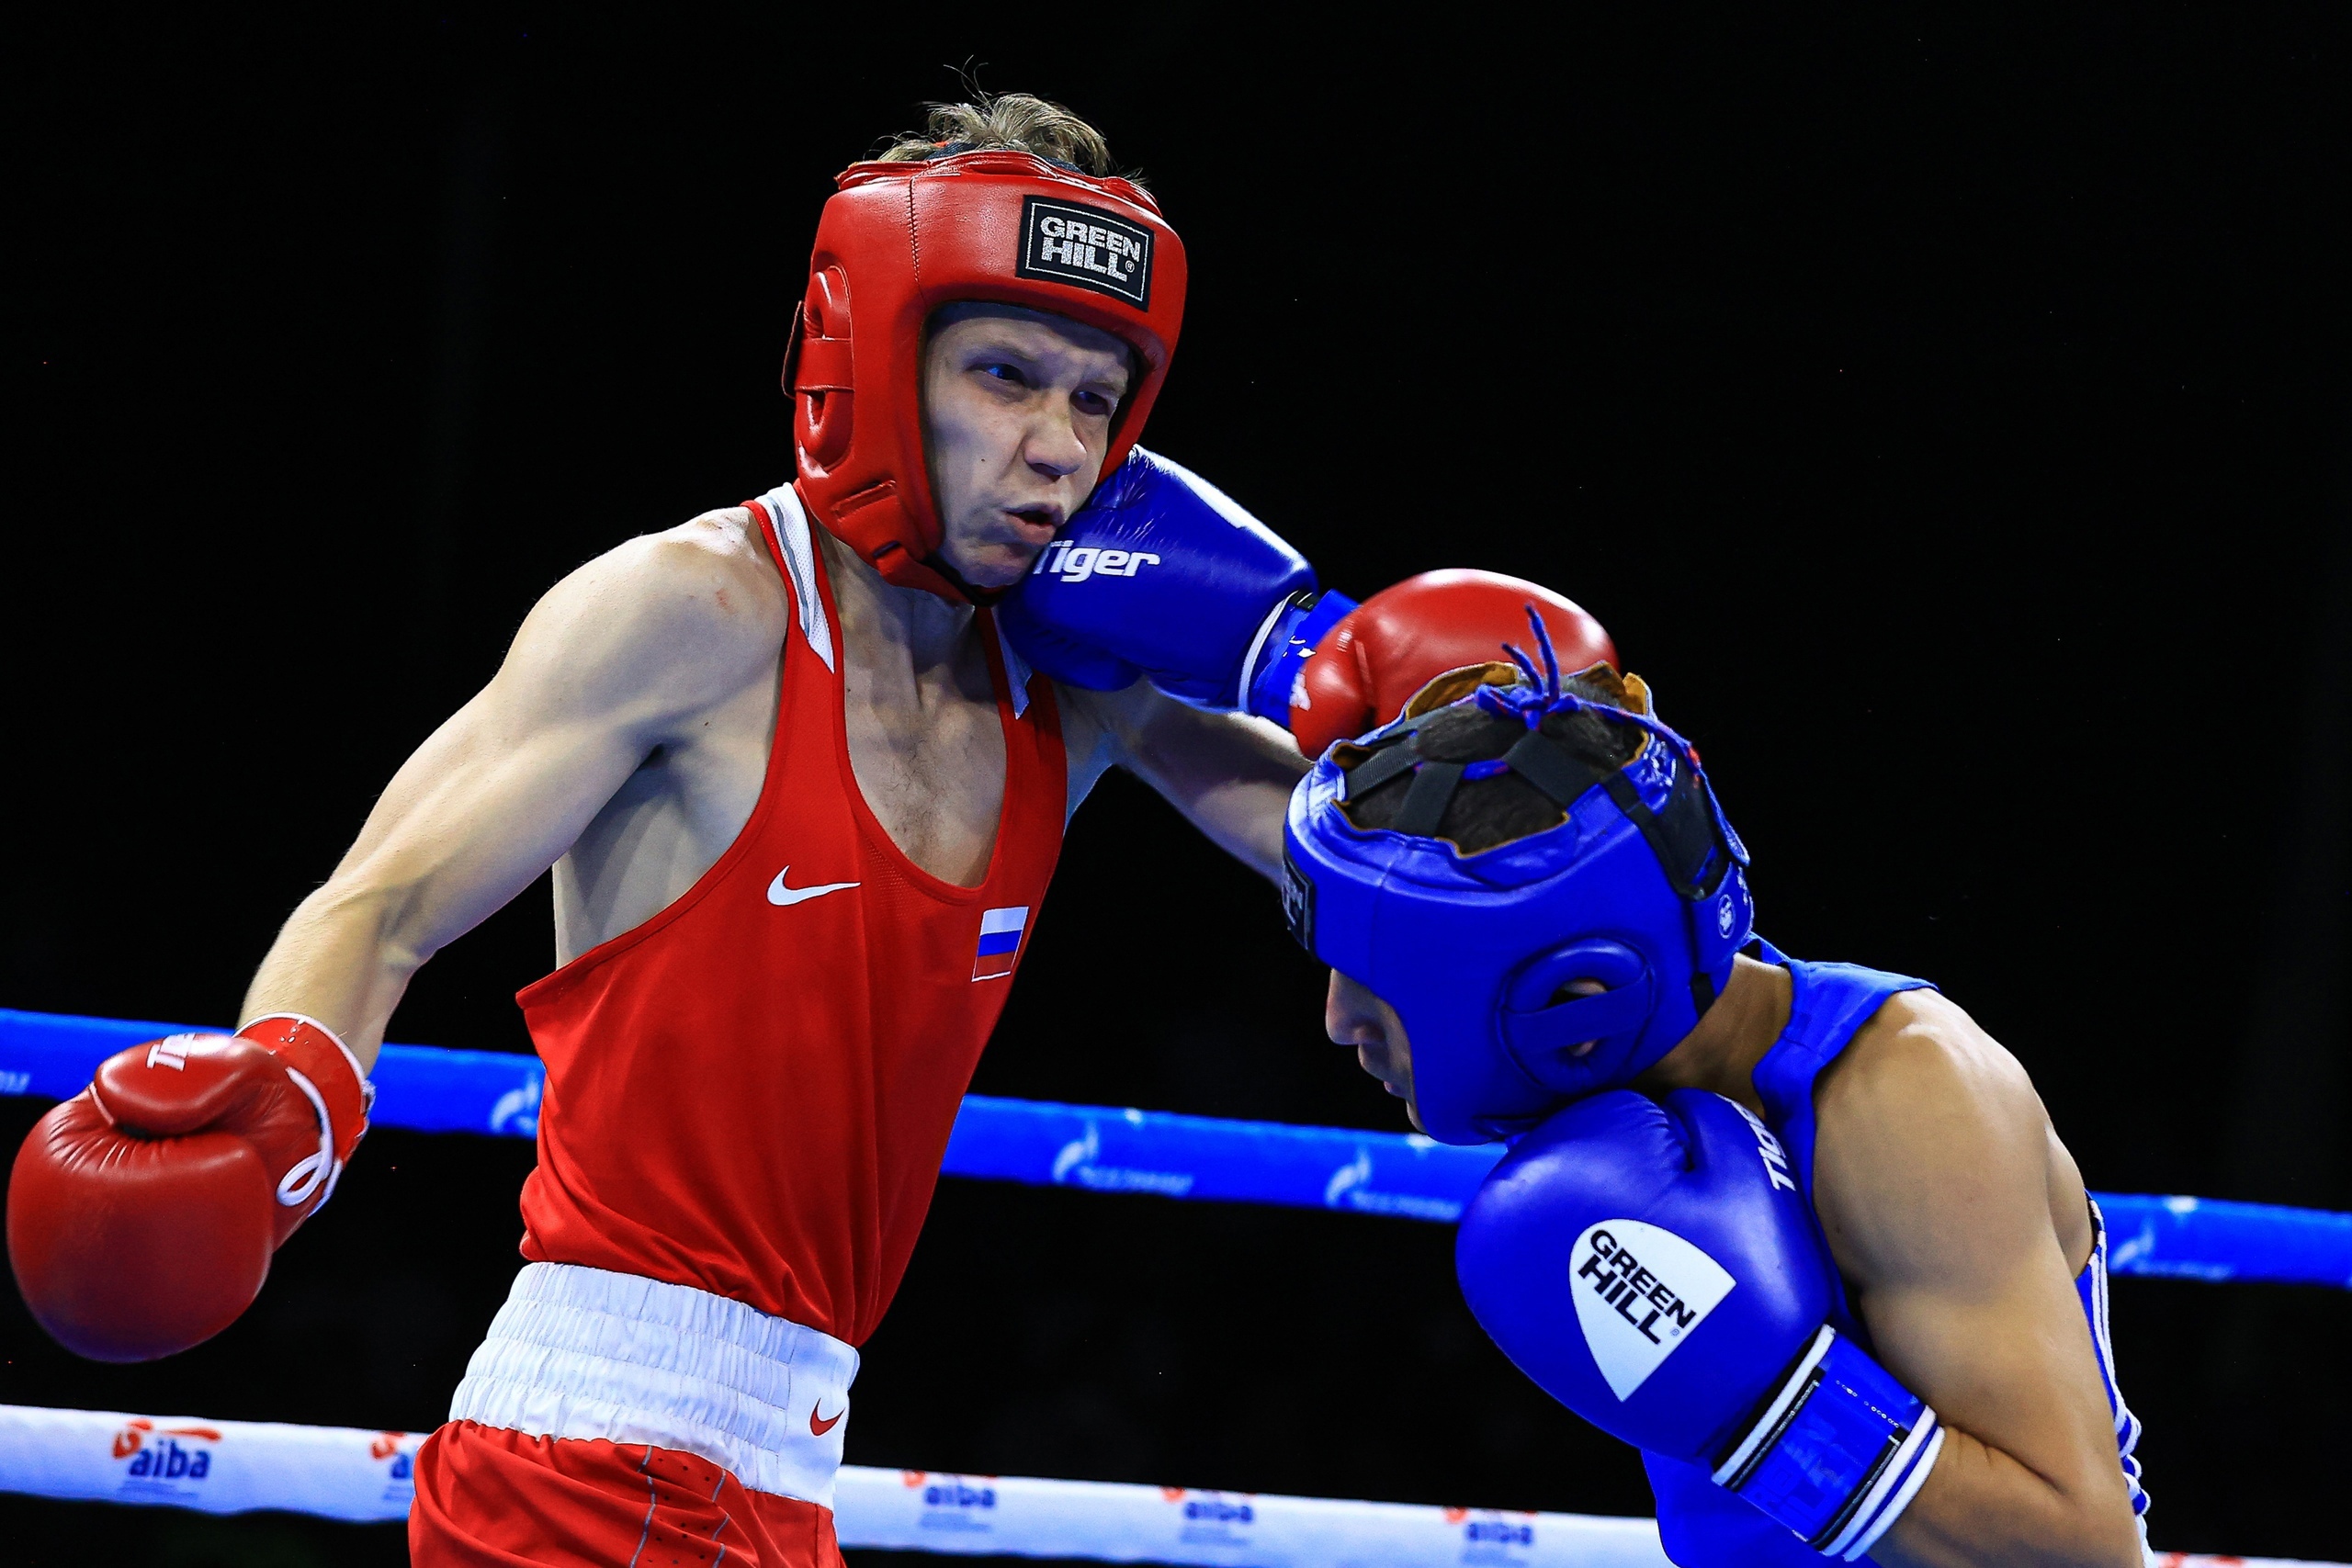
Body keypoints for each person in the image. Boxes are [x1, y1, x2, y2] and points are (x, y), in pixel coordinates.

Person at [6, 95, 1611, 1567]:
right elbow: (380, 902)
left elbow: (1373, 856)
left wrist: (1367, 683)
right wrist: (283, 1101)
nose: (1060, 444)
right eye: (1004, 376)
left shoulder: (1076, 683)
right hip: (578, 1470)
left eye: (1096, 398)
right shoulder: (694, 612)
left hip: (783, 1478)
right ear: (873, 366)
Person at [1283, 627, 2150, 1567]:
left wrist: (1772, 1408)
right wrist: (1216, 661)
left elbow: (2085, 1552)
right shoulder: (1605, 1041)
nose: (1338, 1021)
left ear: (1571, 1004)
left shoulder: (1908, 1103)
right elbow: (1374, 889)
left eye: (1380, 984)